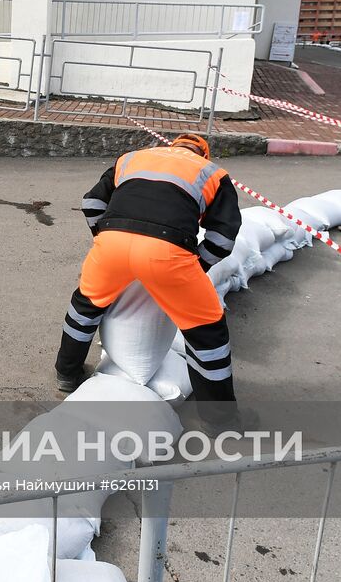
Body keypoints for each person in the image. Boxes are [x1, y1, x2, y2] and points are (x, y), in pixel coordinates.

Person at [55, 133, 243, 415]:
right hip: (168, 251)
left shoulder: (133, 158)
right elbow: (223, 239)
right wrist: (195, 267)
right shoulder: (213, 173)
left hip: (111, 244)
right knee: (208, 334)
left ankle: (66, 374)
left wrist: (103, 239)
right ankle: (220, 421)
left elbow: (91, 203)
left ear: (172, 146)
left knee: (84, 307)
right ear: (204, 153)